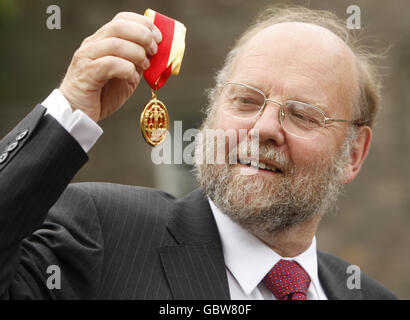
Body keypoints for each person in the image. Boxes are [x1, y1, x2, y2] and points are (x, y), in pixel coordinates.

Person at [0, 6, 396, 300]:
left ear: (353, 154)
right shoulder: (102, 235)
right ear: (211, 112)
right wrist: (68, 110)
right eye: (245, 100)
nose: (263, 129)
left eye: (303, 115)